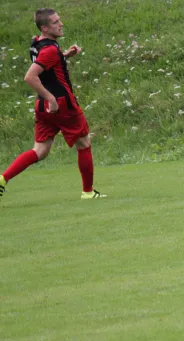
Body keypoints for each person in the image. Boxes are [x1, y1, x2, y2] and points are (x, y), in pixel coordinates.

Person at [0, 8, 105, 202]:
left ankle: (2, 179)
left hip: (43, 107)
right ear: (45, 27)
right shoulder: (49, 49)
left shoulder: (38, 43)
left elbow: (47, 65)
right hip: (61, 104)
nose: (61, 24)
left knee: (40, 151)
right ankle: (88, 192)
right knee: (84, 143)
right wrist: (52, 99)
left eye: (60, 20)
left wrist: (64, 55)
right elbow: (30, 77)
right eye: (56, 22)